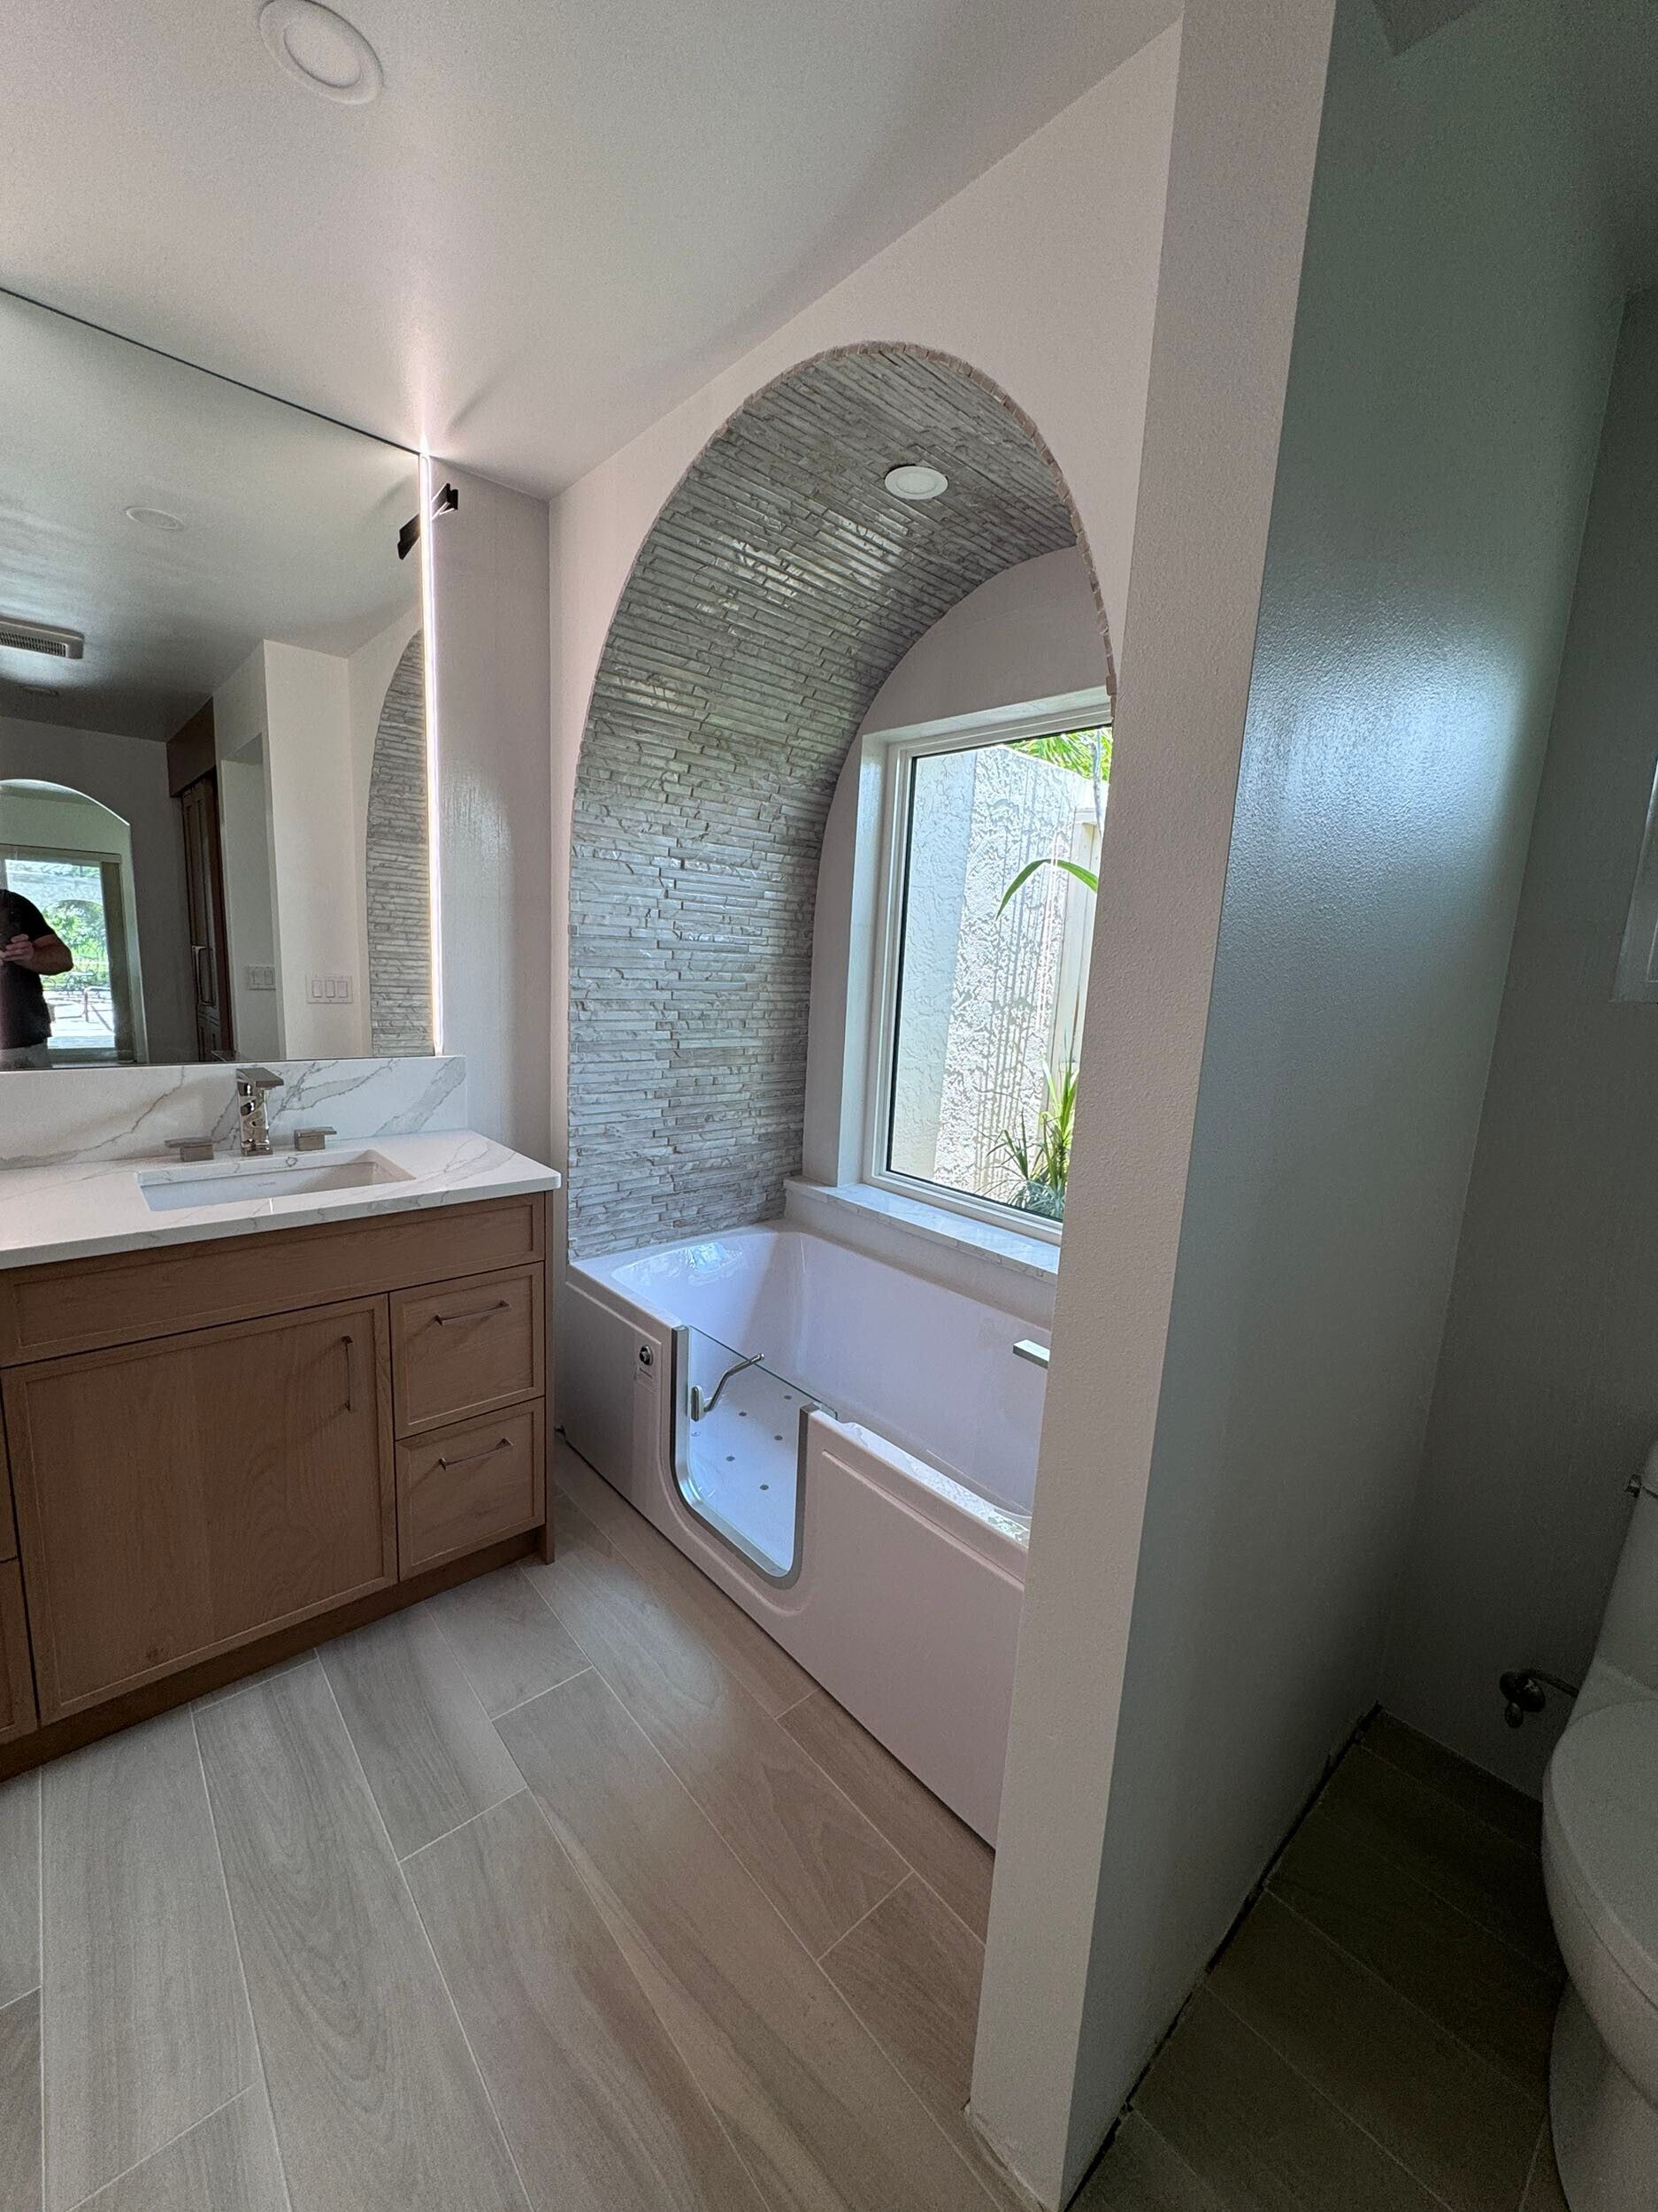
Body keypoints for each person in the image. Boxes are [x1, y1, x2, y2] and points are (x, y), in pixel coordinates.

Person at [0, 887, 73, 1070]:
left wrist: (31, 956)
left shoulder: (12, 904)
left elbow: (64, 960)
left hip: (21, 1043)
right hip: (19, 1042)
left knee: (38, 1098)